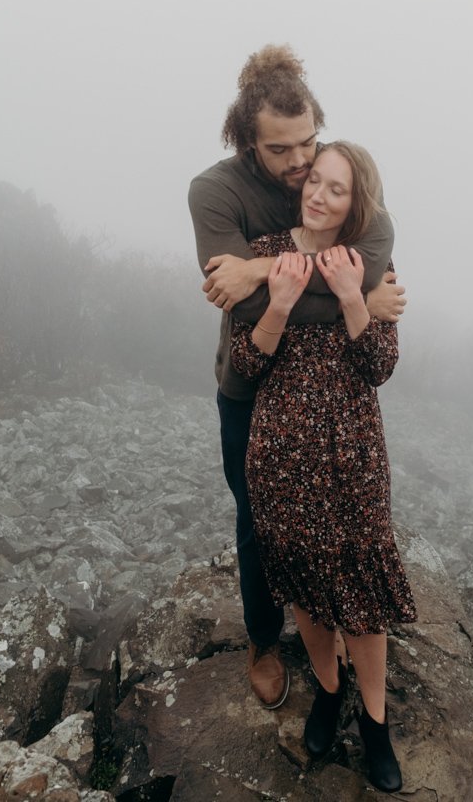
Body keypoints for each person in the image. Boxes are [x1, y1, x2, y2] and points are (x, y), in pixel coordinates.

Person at [187, 46, 406, 711]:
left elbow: (371, 257)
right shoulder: (215, 192)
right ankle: (262, 639)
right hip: (252, 384)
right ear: (247, 142)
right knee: (261, 522)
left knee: (336, 521)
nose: (301, 163)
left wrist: (263, 268)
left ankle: (329, 625)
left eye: (308, 142)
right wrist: (308, 289)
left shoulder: (335, 180)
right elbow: (246, 303)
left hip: (328, 396)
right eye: (281, 150)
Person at [230, 141, 414, 793]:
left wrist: (351, 296)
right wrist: (279, 305)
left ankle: (374, 722)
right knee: (308, 590)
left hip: (353, 455)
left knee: (361, 593)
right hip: (281, 456)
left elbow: (380, 368)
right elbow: (245, 368)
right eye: (317, 182)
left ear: (355, 201)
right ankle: (329, 692)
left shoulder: (370, 263)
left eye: (338, 189)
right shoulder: (265, 253)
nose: (320, 195)